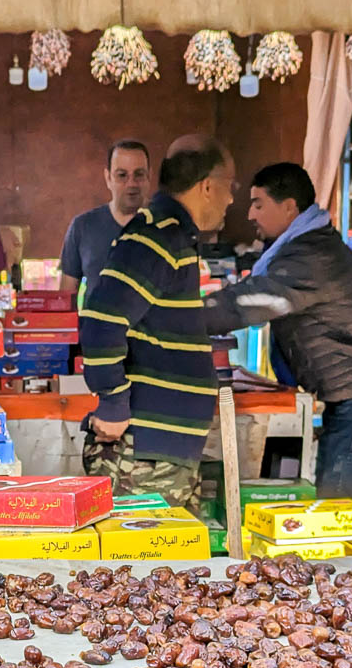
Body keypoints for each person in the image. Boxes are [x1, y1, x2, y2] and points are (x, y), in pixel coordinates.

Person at [204, 162, 352, 501]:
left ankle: (346, 555)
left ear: (288, 207)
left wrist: (183, 317)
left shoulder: (312, 255)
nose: (251, 214)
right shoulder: (304, 245)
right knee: (350, 501)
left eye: (259, 204)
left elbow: (255, 300)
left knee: (339, 505)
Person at [79, 135, 236, 510]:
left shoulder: (172, 235)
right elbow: (101, 320)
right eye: (230, 188)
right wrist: (114, 405)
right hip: (143, 455)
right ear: (209, 186)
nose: (232, 200)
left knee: (167, 566)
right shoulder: (157, 236)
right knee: (143, 565)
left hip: (159, 453)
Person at [60, 140, 151, 296]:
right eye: (122, 175)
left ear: (149, 176)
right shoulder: (82, 227)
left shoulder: (167, 226)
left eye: (139, 174)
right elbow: (65, 298)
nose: (131, 183)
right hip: (96, 321)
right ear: (108, 178)